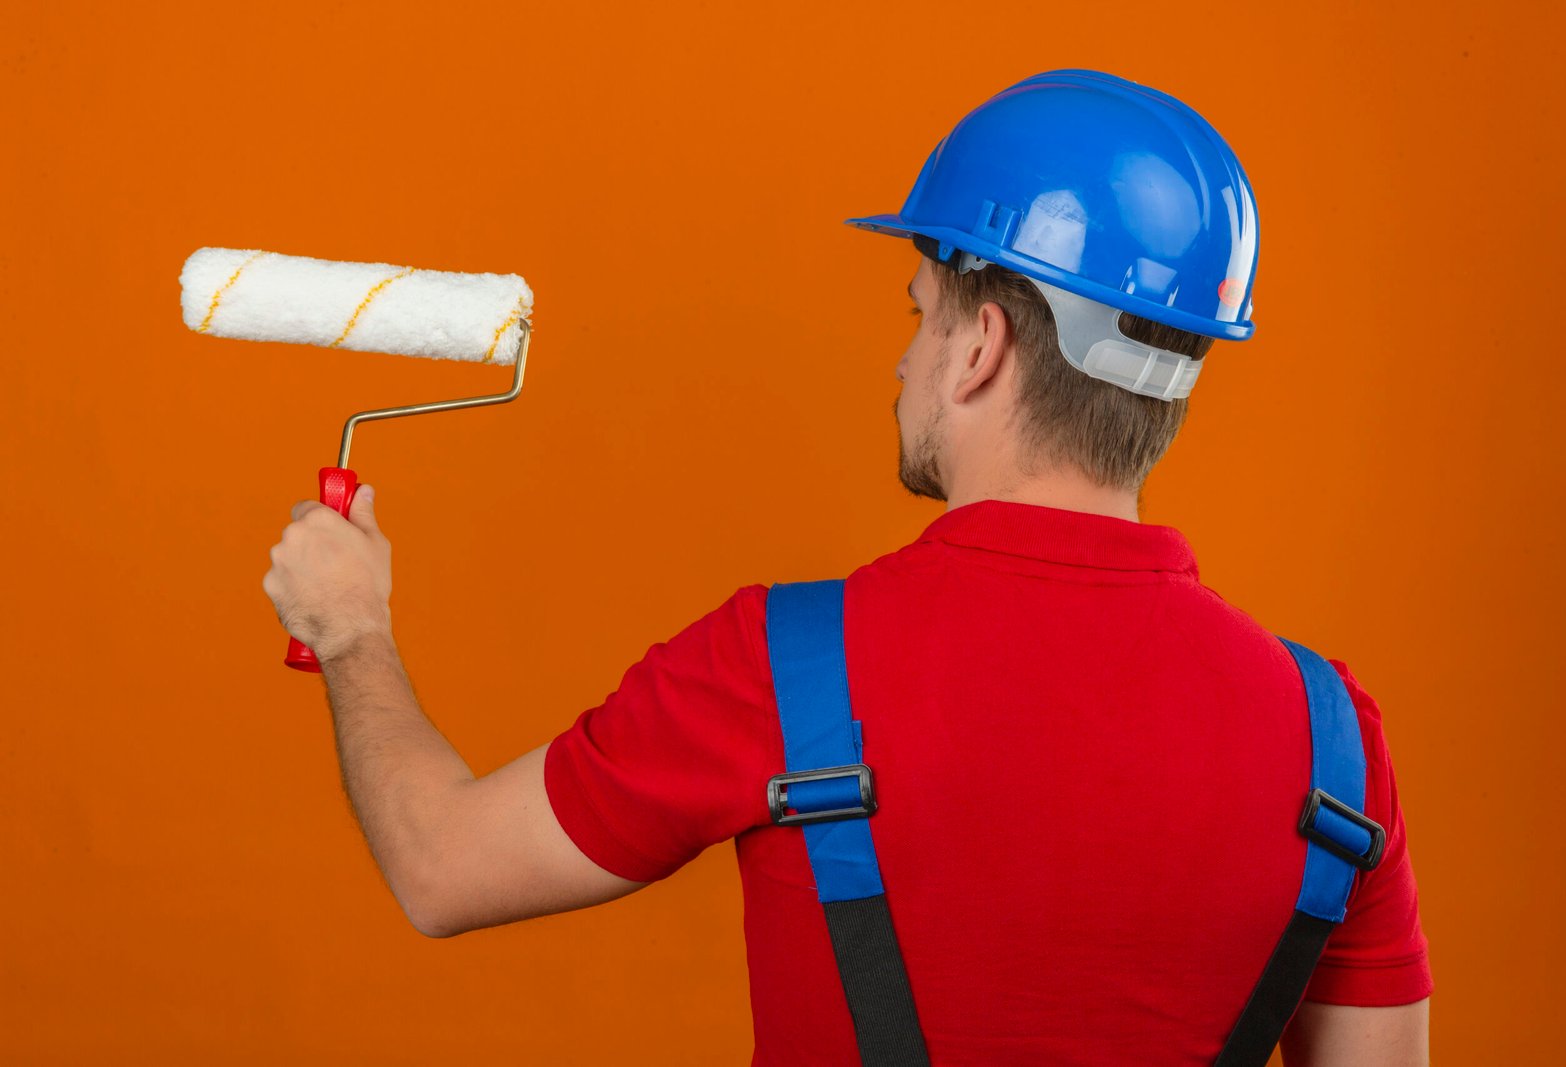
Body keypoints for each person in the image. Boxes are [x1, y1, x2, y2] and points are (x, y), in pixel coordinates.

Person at [263, 70, 1431, 1065]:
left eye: (919, 313)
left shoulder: (776, 665)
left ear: (981, 346)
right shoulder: (1335, 739)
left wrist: (353, 627)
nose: (902, 360)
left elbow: (439, 866)